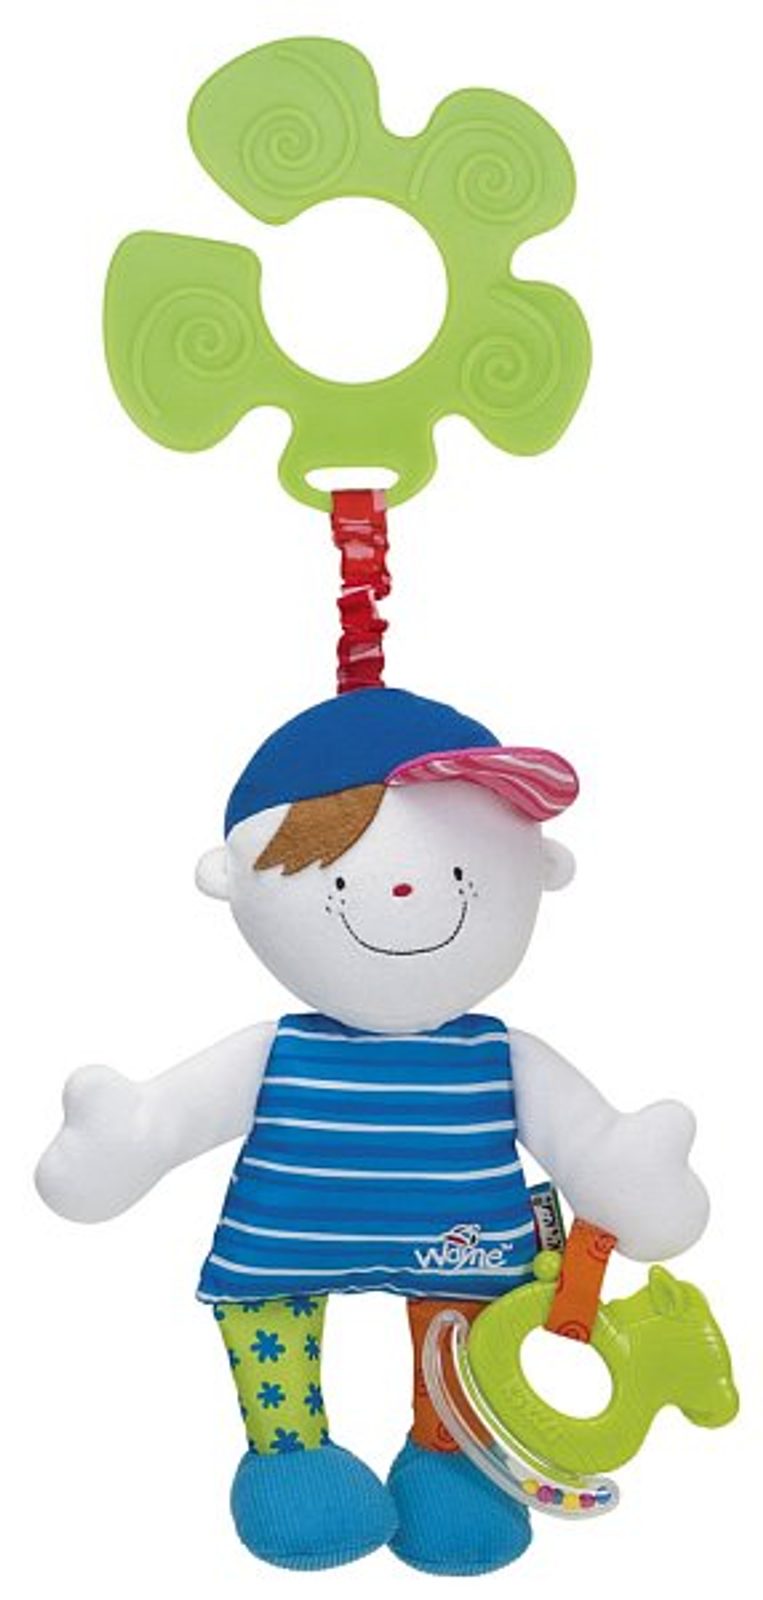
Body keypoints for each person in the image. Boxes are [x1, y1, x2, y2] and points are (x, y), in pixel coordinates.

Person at [36, 687, 708, 1575]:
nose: (403, 891)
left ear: (536, 872)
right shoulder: (277, 1050)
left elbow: (586, 1145)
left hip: (460, 1256)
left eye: (462, 875)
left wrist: (623, 1172)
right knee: (271, 1322)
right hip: (287, 1257)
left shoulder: (499, 1056)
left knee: (467, 1340)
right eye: (345, 876)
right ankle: (290, 1454)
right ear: (233, 879)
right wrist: (129, 1136)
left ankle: (448, 1456)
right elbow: (170, 1119)